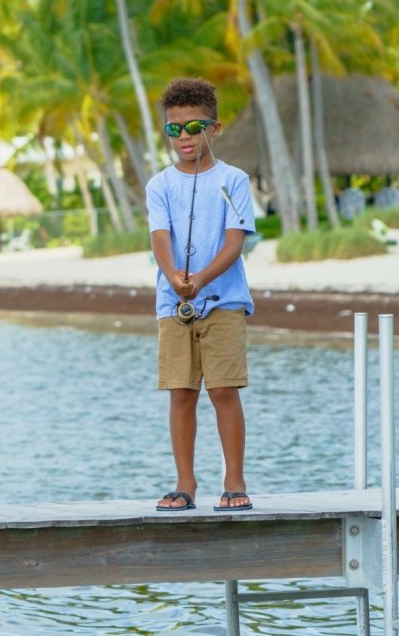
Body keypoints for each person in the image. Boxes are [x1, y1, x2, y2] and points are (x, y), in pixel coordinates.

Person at [146, 77, 255, 513]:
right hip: (174, 305)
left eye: (194, 127)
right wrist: (173, 276)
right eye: (174, 129)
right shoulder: (160, 185)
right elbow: (159, 236)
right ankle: (184, 483)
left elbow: (234, 241)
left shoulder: (234, 180)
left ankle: (234, 480)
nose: (184, 138)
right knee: (181, 392)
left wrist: (202, 278)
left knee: (224, 390)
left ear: (215, 127)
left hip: (224, 302)